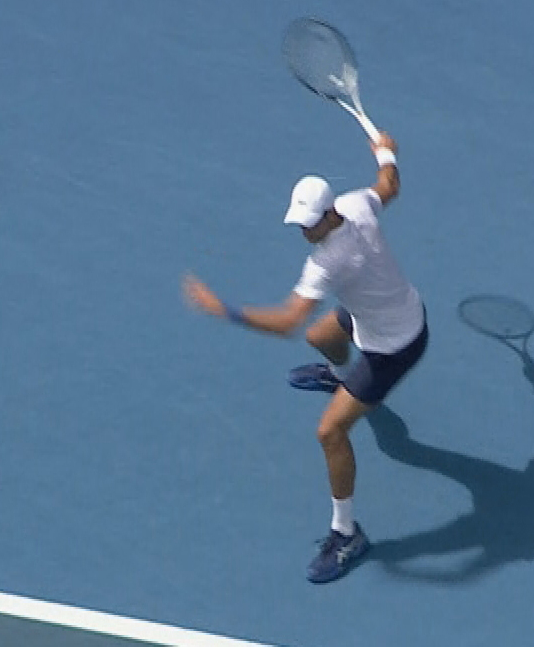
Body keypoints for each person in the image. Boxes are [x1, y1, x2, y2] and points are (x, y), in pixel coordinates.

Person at [182, 131, 429, 584]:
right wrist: (386, 150)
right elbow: (389, 185)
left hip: (392, 347)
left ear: (326, 217)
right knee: (321, 337)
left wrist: (225, 311)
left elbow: (287, 321)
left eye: (307, 222)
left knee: (330, 431)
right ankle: (342, 378)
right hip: (395, 310)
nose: (302, 229)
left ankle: (347, 533)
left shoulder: (328, 262)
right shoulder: (356, 205)